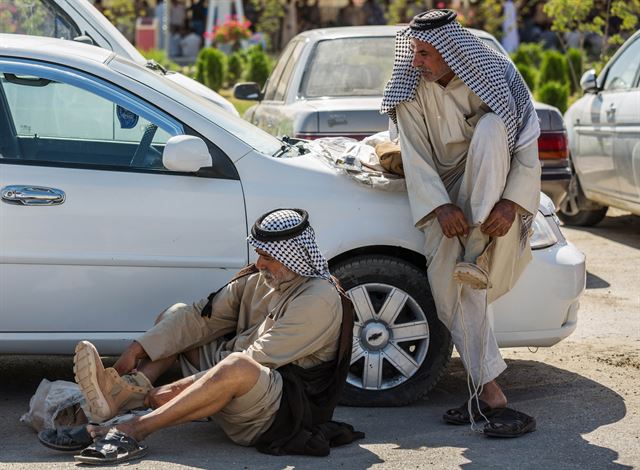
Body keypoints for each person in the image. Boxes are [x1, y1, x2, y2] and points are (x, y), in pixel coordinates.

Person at [56, 209, 362, 463]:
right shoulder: (260, 279)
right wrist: (137, 349)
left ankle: (135, 426)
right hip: (232, 376)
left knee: (237, 366)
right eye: (259, 254)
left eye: (268, 257)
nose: (259, 264)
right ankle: (123, 393)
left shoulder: (318, 298)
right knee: (174, 317)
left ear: (294, 256)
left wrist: (168, 392)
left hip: (276, 408)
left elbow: (256, 360)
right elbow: (200, 317)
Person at [381, 9, 540, 437]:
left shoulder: (494, 73)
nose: (417, 61)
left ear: (454, 54)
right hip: (445, 195)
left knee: (491, 128)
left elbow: (526, 146)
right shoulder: (411, 88)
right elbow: (414, 157)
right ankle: (488, 393)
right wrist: (439, 207)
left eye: (426, 53)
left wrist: (511, 202)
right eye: (414, 51)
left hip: (495, 189)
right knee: (452, 289)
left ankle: (487, 391)